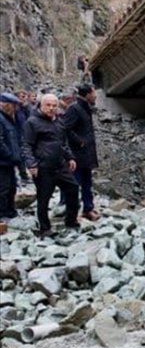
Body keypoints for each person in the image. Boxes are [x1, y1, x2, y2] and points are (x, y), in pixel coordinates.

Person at [22, 93, 79, 238]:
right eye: (48, 105)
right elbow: (26, 145)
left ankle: (71, 220)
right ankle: (44, 228)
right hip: (43, 167)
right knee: (44, 197)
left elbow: (63, 142)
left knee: (73, 188)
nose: (51, 108)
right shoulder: (32, 122)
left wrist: (70, 157)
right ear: (41, 105)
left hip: (60, 165)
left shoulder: (59, 122)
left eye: (54, 105)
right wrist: (31, 164)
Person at [61, 82, 100, 220]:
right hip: (77, 154)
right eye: (94, 92)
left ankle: (88, 208)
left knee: (87, 183)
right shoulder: (74, 109)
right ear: (88, 93)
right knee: (73, 184)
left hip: (86, 154)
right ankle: (72, 212)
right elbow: (65, 128)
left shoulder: (85, 107)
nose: (95, 95)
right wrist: (80, 141)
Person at [0, 92, 27, 228]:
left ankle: (10, 212)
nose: (15, 108)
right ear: (6, 105)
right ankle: (2, 214)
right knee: (3, 188)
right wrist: (10, 155)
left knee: (11, 187)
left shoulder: (8, 118)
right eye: (12, 105)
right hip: (3, 162)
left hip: (9, 162)